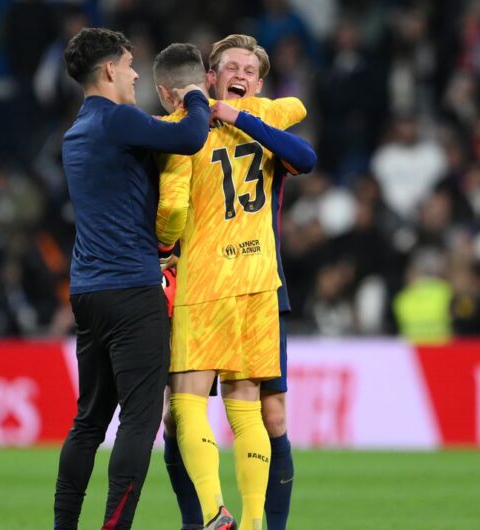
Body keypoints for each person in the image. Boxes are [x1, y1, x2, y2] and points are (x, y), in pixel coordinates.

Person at [153, 36, 315, 530]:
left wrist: (161, 249)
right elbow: (299, 108)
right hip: (252, 279)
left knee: (227, 409)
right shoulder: (254, 118)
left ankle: (222, 518)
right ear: (210, 76)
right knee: (204, 413)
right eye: (231, 66)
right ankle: (215, 522)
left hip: (222, 281)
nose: (240, 73)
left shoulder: (192, 129)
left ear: (258, 82)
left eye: (250, 68)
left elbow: (303, 151)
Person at [52, 28, 210, 530]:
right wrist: (196, 96)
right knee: (140, 421)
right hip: (131, 291)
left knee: (88, 422)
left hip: (89, 291)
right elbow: (189, 136)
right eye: (130, 64)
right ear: (109, 71)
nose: (137, 73)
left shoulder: (76, 131)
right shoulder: (118, 120)